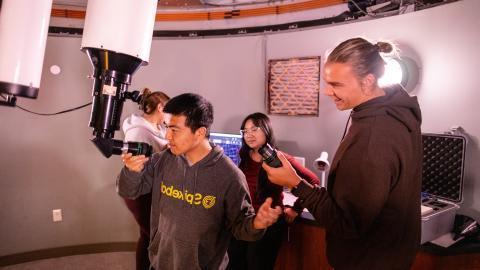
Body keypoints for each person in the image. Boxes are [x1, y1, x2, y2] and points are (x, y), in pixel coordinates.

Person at [262, 37, 423, 270]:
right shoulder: (393, 111)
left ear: (368, 81)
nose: (327, 92)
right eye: (327, 82)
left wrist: (295, 183)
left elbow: (348, 224)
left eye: (336, 85)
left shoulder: (373, 137)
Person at [117, 93, 282, 270]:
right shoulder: (162, 160)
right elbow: (129, 191)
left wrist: (257, 223)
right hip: (160, 263)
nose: (167, 136)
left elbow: (241, 226)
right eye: (166, 127)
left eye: (174, 130)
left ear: (200, 132)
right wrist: (132, 171)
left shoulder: (230, 176)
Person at [227, 112, 319, 270]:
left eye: (254, 129)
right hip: (243, 222)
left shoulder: (280, 158)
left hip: (267, 226)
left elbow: (313, 181)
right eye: (245, 131)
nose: (249, 135)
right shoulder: (242, 156)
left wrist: (296, 209)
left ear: (266, 130)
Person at [121, 88, 170, 270]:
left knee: (148, 234)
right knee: (150, 235)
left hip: (154, 187)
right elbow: (138, 167)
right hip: (141, 190)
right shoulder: (138, 132)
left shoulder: (159, 128)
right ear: (160, 107)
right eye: (168, 110)